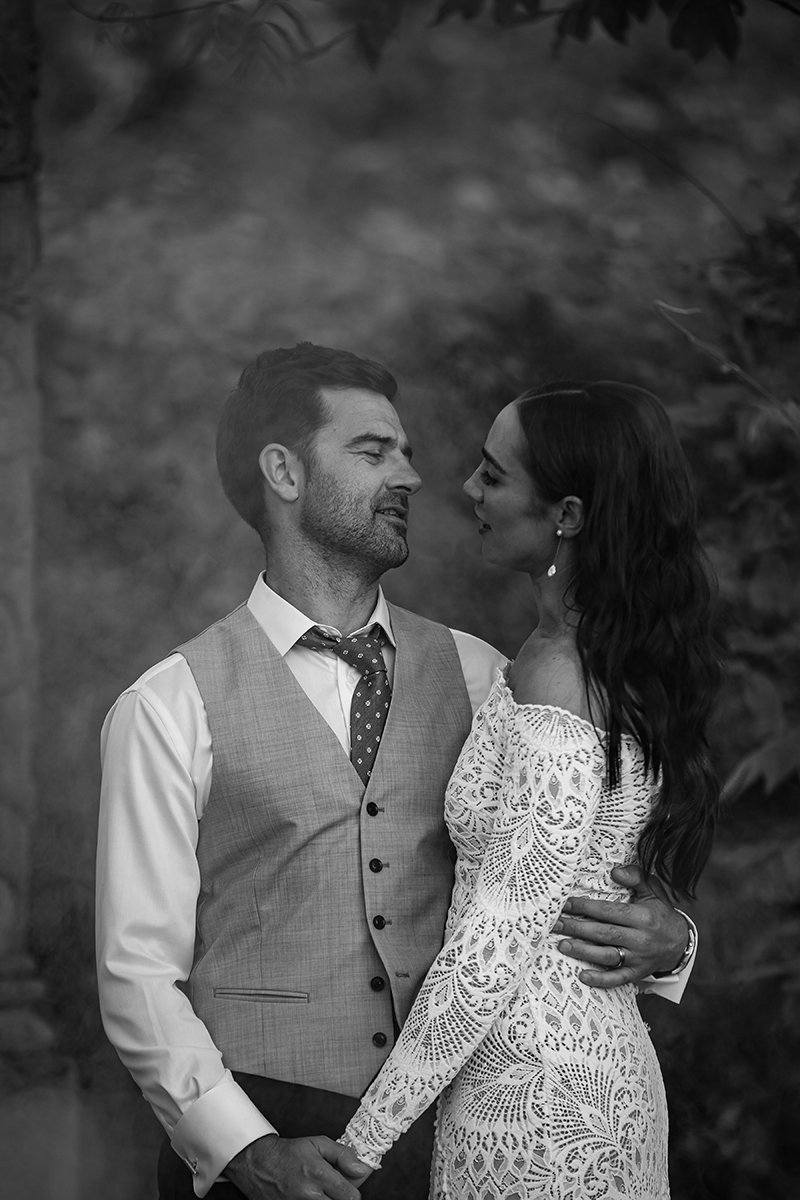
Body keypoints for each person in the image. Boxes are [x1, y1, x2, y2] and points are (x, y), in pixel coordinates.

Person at [96, 348, 698, 1200]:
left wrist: (671, 943)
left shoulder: (490, 675)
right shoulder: (168, 705)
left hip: (451, 1134)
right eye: (374, 452)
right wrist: (241, 1150)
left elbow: (577, 866)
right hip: (267, 1135)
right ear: (285, 473)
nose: (412, 475)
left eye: (407, 451)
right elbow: (136, 973)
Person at [338, 381, 721, 1199]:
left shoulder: (560, 674)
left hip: (544, 1101)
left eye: (493, 474)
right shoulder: (580, 654)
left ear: (568, 516)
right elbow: (602, 876)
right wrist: (677, 942)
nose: (469, 490)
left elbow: (493, 945)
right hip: (558, 1070)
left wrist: (359, 1148)